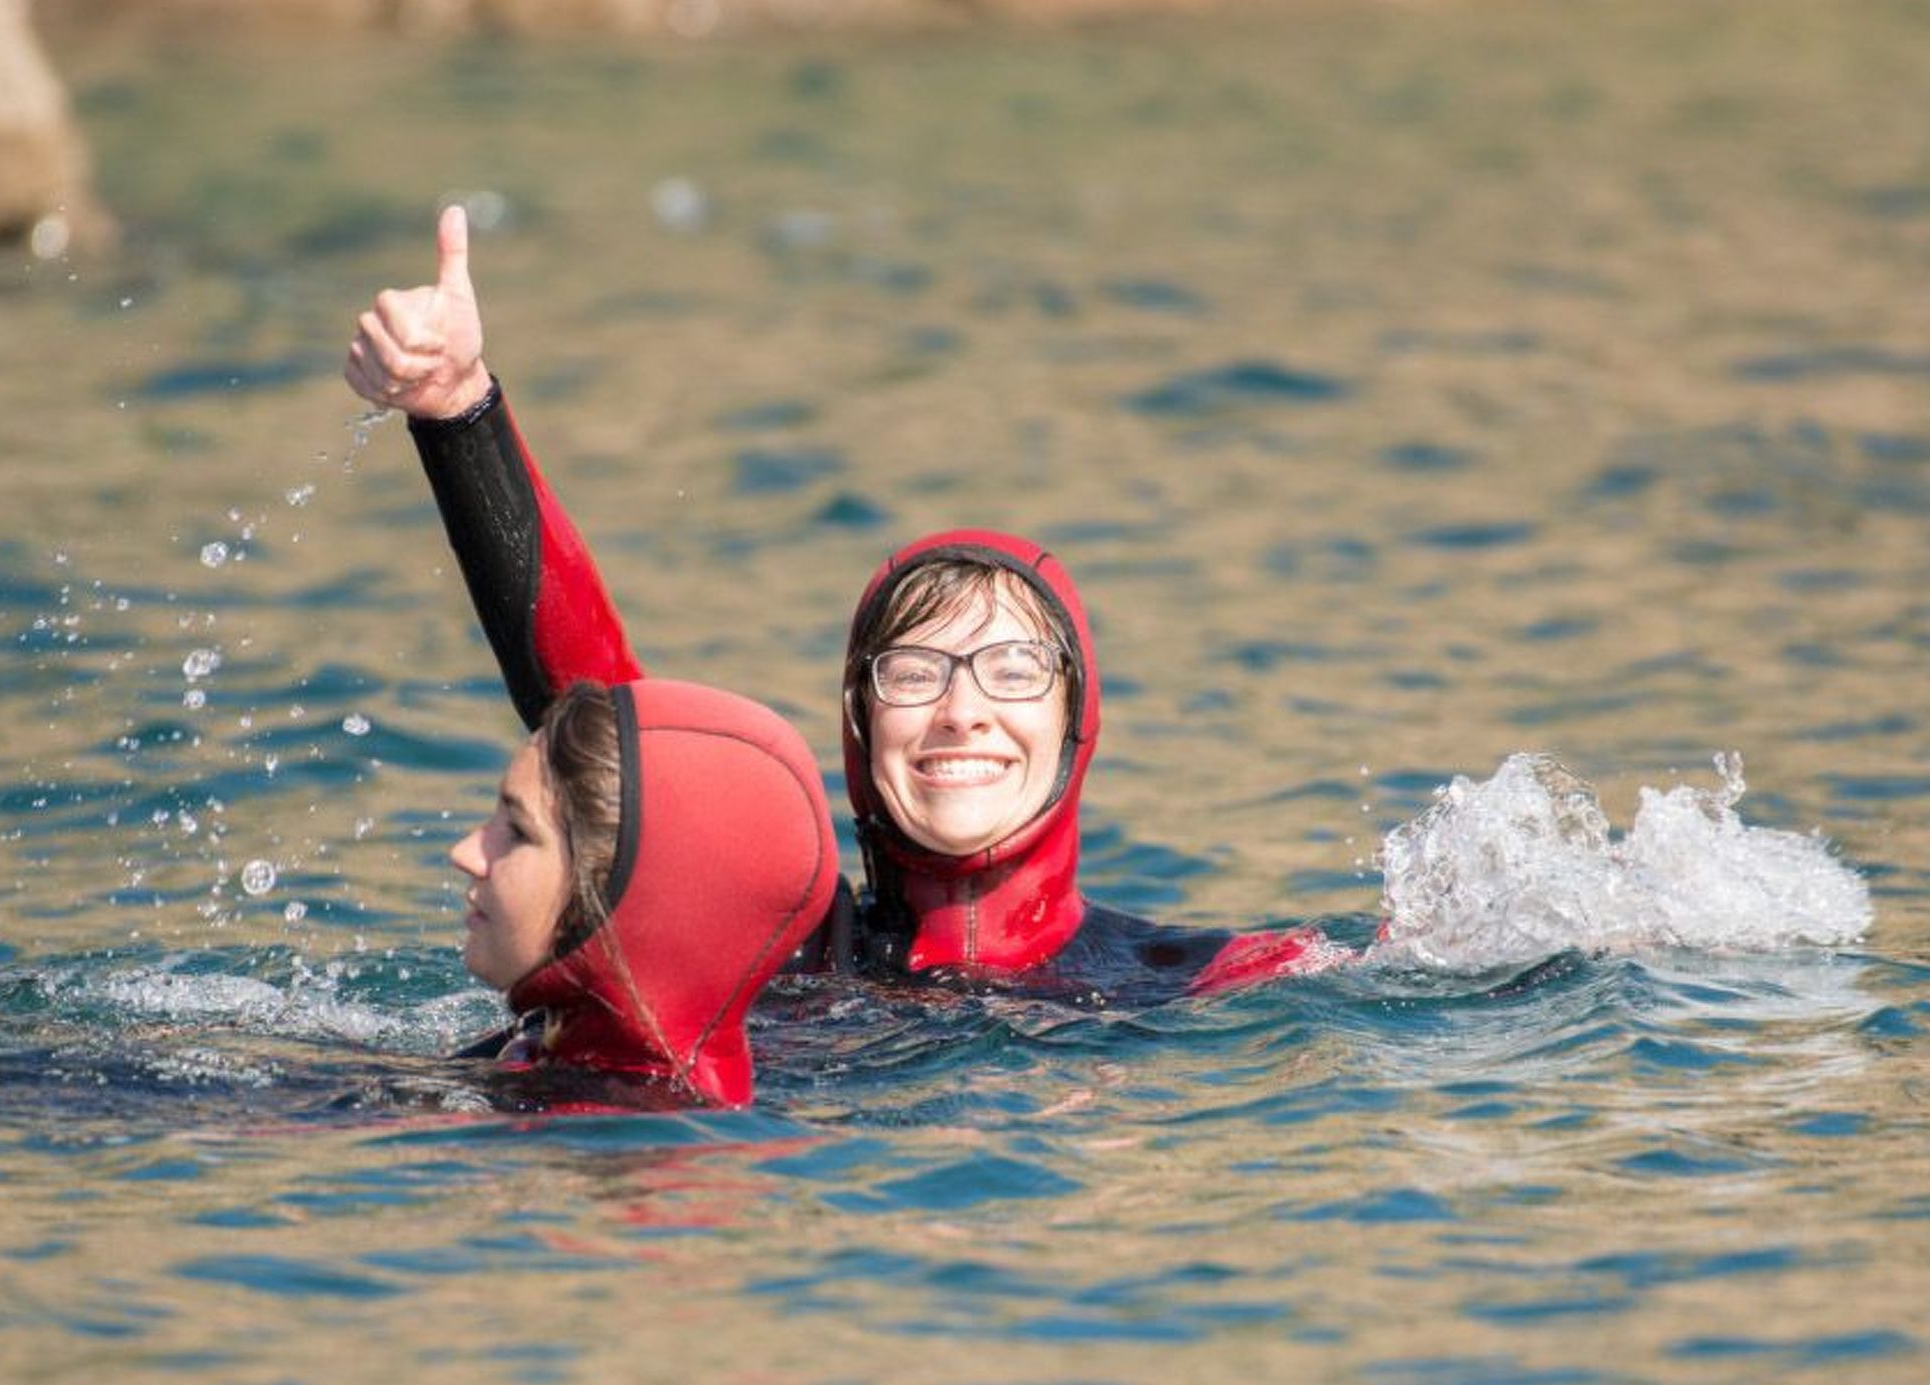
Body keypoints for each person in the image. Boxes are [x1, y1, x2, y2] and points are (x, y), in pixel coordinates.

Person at [349, 206, 1342, 1000]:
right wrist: (458, 409)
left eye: (1011, 668)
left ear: (1076, 722)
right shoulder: (776, 952)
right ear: (858, 726)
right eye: (913, 673)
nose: (962, 710)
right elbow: (604, 728)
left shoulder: (1206, 981)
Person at [450, 676, 839, 1107]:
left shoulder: (611, 1143)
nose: (466, 853)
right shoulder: (565, 1062)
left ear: (626, 901)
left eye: (519, 833)